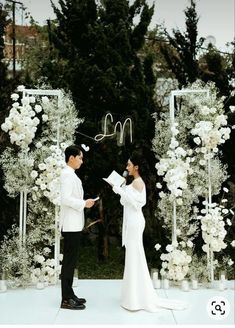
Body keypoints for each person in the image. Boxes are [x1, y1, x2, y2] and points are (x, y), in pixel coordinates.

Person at [112, 152, 187, 312]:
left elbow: (138, 204)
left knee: (135, 255)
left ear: (136, 167)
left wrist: (121, 191)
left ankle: (136, 298)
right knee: (133, 256)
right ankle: (133, 296)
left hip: (135, 222)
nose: (126, 167)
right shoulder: (132, 183)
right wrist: (121, 189)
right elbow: (125, 201)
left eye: (129, 165)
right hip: (131, 221)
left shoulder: (139, 183)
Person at [60, 145, 95, 310]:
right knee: (68, 262)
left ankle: (70, 294)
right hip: (70, 225)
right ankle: (66, 299)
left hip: (74, 224)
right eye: (80, 158)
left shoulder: (71, 175)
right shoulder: (67, 175)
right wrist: (84, 203)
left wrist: (84, 202)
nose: (82, 161)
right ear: (71, 158)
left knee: (71, 261)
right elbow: (65, 199)